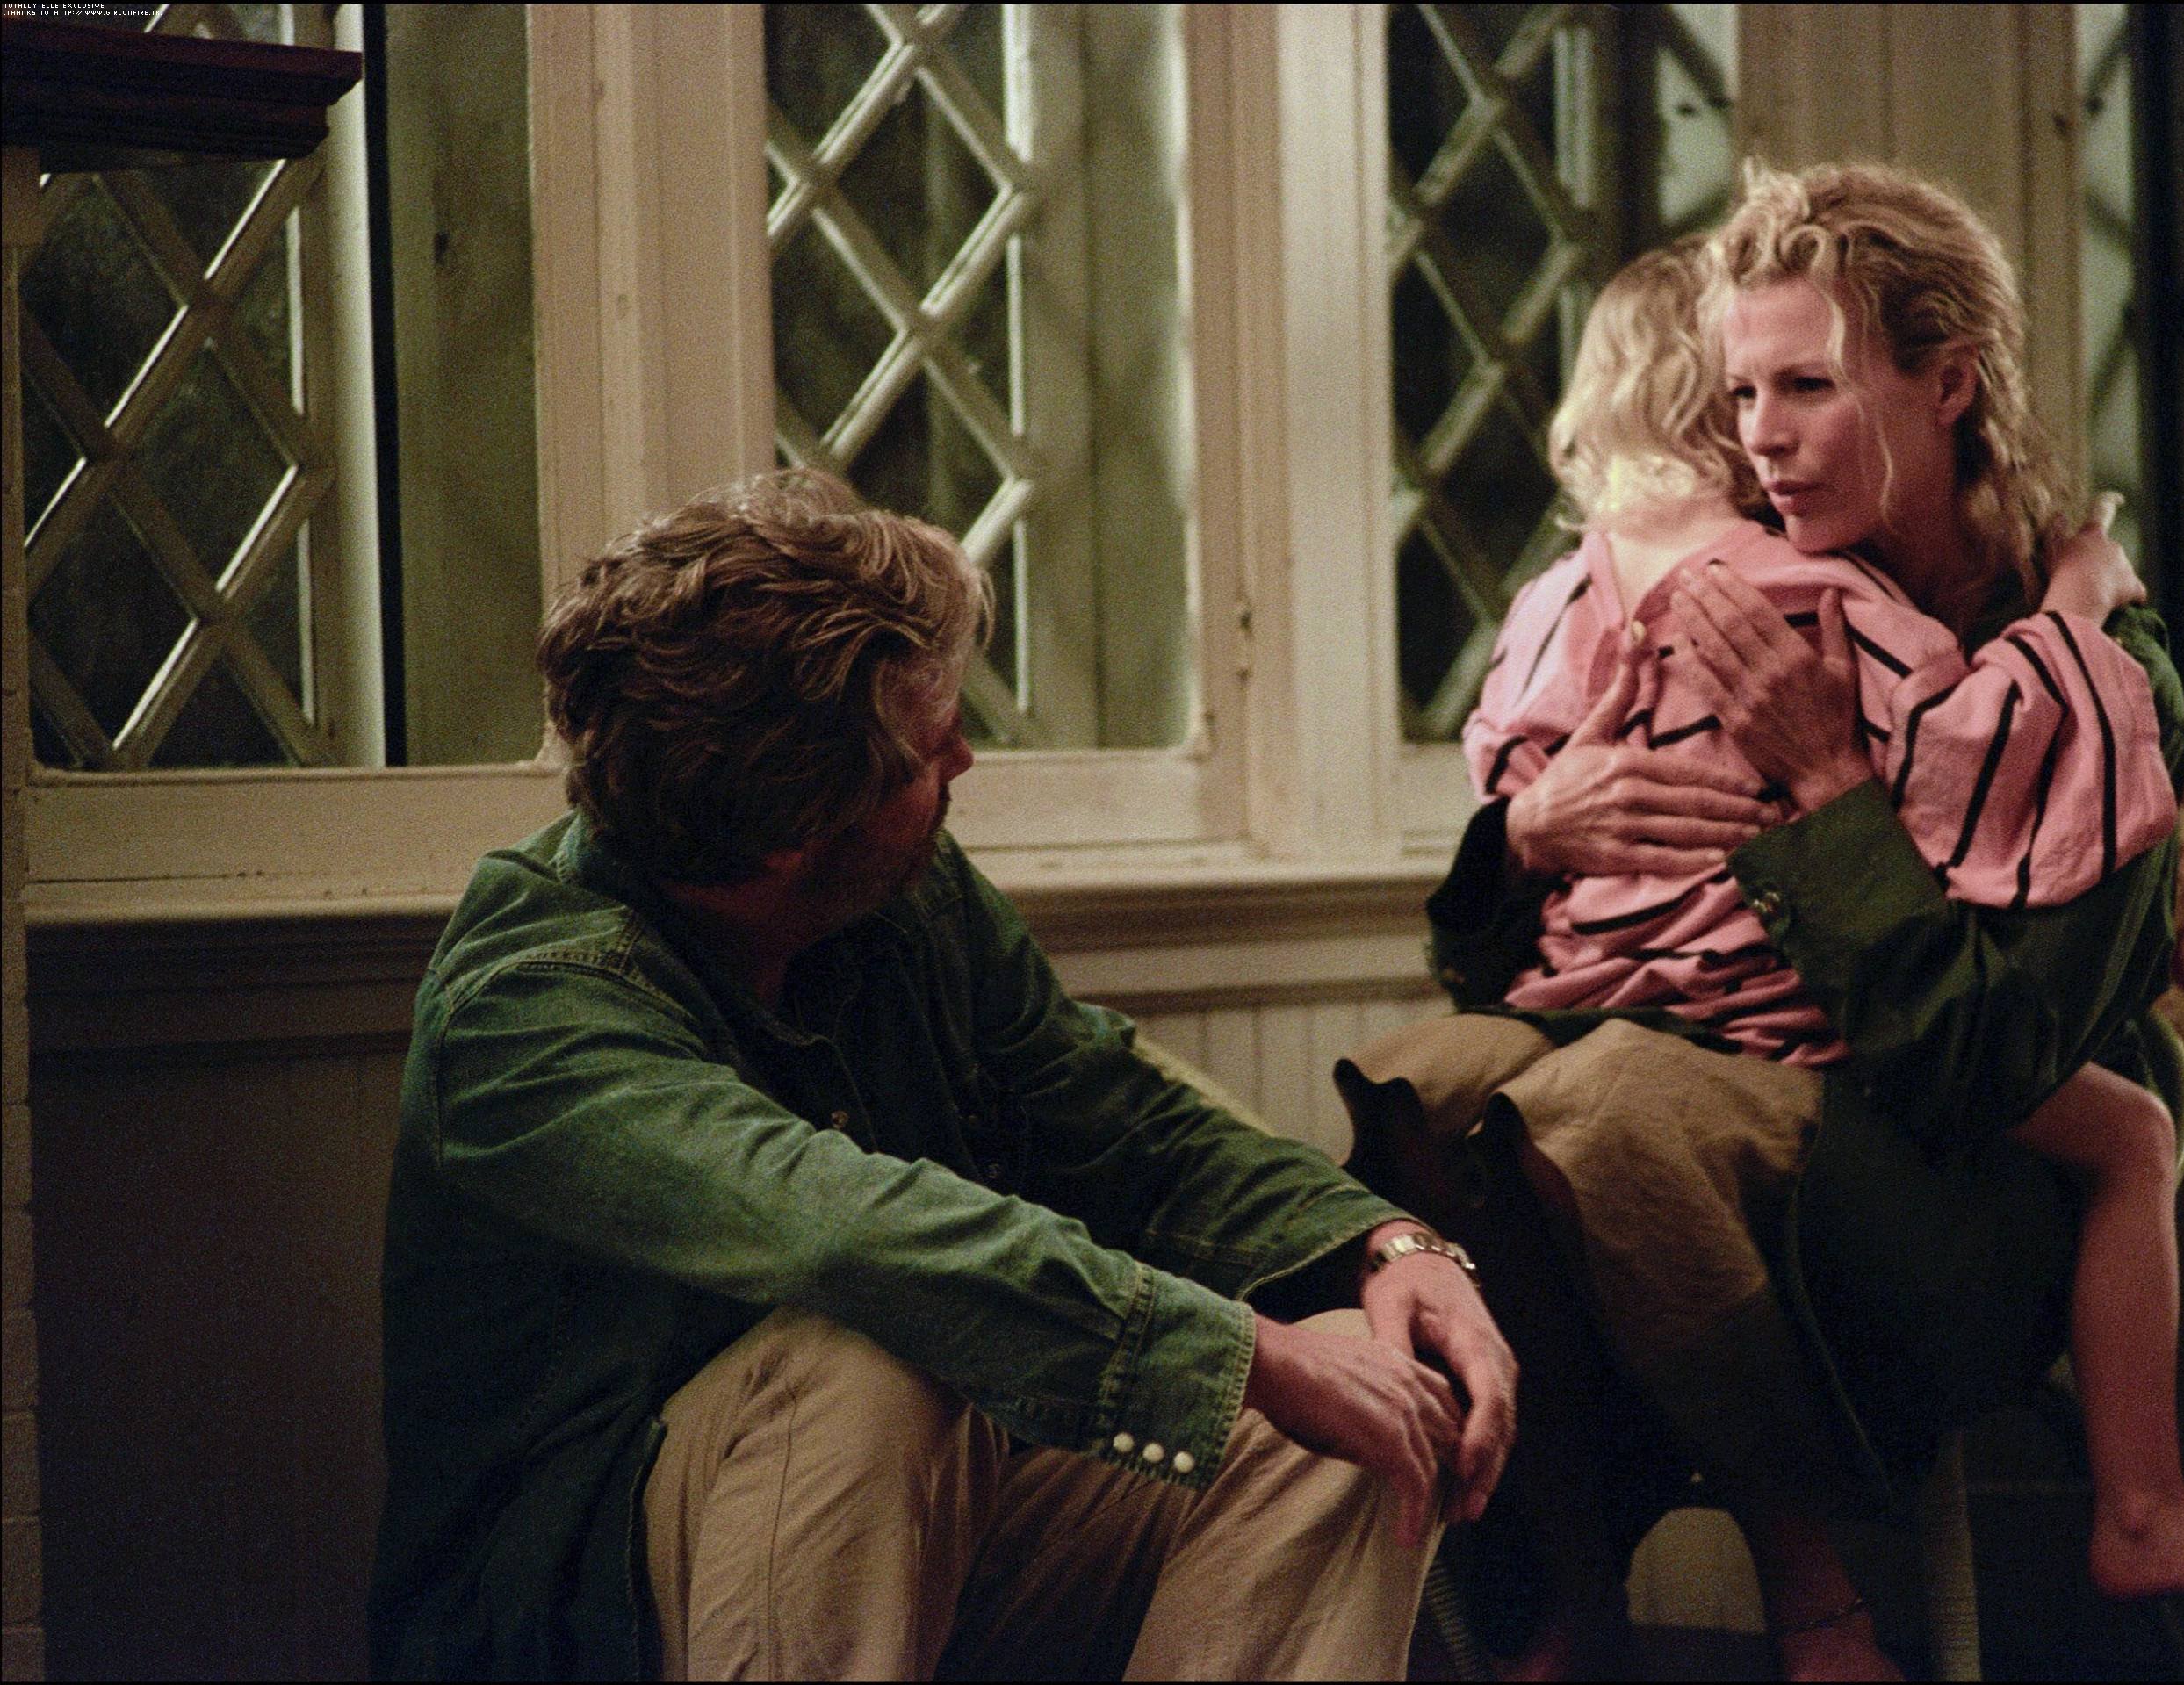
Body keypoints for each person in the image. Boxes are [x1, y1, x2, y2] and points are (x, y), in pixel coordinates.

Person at [1379, 162, 2184, 1681]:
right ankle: (1567, 1595)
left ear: (1948, 385)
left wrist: (1830, 788)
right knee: (1438, 1102)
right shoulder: (1735, 588)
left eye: (1806, 388)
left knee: (1607, 1116)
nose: (1758, 437)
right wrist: (1529, 834)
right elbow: (1507, 965)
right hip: (1719, 1114)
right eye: (1740, 391)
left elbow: (1985, 1064)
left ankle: (1826, 1594)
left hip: (1948, 1190)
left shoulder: (2085, 673)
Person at [367, 470, 1517, 1681]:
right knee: (868, 1356)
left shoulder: (897, 894)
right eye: (929, 749)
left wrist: (1388, 1248)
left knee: (1356, 1414)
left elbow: (1125, 1127)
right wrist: (1250, 1356)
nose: (963, 758)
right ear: (791, 825)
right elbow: (852, 1235)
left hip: (923, 1533)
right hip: (583, 1618)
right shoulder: (529, 1013)